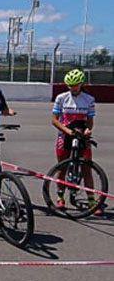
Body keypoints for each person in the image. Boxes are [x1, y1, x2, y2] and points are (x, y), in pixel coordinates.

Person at [51, 69, 101, 215]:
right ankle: (60, 198)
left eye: (76, 85)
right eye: (70, 85)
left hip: (81, 136)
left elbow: (90, 121)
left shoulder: (89, 99)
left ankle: (91, 200)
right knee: (62, 168)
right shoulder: (61, 98)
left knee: (87, 168)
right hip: (65, 136)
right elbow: (54, 120)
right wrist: (66, 131)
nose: (73, 88)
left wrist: (87, 130)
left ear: (81, 84)